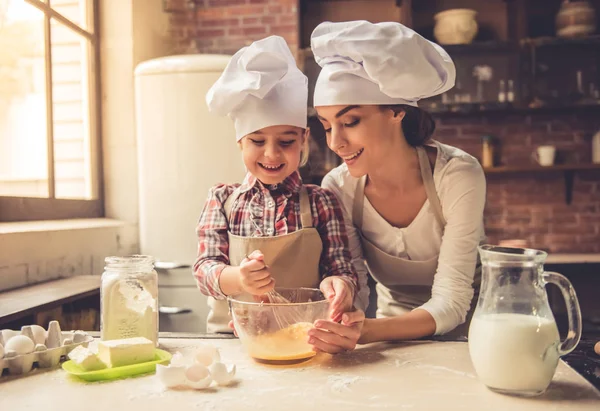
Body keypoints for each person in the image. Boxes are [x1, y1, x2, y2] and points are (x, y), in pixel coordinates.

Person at [306, 21, 486, 354]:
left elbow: (454, 300)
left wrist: (366, 331)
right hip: (389, 339)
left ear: (396, 112)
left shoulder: (457, 174)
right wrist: (341, 302)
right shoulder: (338, 187)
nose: (335, 142)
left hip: (472, 336)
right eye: (326, 126)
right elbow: (356, 285)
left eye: (350, 122)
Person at [194, 35, 360, 334]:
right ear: (240, 142)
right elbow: (204, 270)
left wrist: (341, 286)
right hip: (234, 339)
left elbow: (340, 267)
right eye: (257, 141)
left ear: (303, 140)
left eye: (286, 141)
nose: (271, 154)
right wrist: (239, 279)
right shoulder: (222, 199)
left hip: (302, 337)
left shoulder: (322, 201)